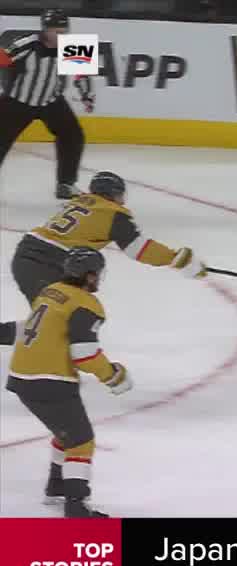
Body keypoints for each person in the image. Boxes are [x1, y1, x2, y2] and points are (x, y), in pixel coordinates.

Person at [0, 170, 209, 346]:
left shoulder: (80, 202)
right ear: (114, 194)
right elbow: (139, 249)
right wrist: (176, 259)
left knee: (53, 321)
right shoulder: (111, 212)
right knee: (53, 324)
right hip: (46, 262)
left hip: (31, 255)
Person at [6, 247, 132, 518]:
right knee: (81, 440)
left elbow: (28, 327)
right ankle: (76, 507)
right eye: (97, 274)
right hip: (50, 381)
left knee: (66, 432)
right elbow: (84, 354)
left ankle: (57, 485)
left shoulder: (50, 292)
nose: (99, 279)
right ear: (88, 276)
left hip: (23, 377)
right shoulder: (85, 304)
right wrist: (113, 375)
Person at [0, 8, 95, 199]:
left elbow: (82, 74)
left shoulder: (74, 45)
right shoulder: (27, 43)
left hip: (50, 100)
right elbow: (2, 58)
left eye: (63, 31)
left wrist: (87, 96)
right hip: (18, 100)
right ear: (45, 29)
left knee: (73, 136)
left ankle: (66, 184)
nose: (61, 36)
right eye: (56, 31)